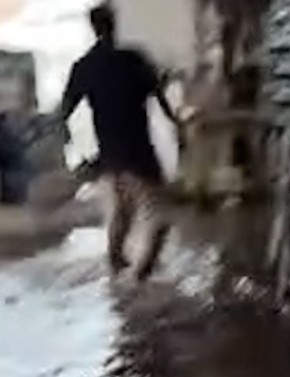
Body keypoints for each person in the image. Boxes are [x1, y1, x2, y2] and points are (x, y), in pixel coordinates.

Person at [55, 3, 186, 279]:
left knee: (122, 213)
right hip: (139, 151)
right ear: (115, 25)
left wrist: (69, 148)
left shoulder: (85, 66)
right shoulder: (134, 59)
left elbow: (64, 110)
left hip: (111, 154)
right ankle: (140, 274)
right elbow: (160, 99)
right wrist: (178, 129)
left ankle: (117, 267)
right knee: (160, 214)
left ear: (93, 28)